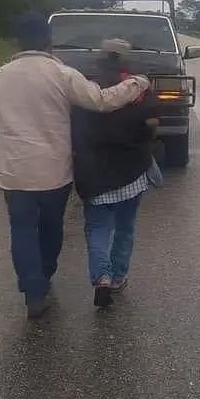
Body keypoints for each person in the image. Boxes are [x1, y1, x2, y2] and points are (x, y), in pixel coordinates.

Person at [0, 14, 150, 319]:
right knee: (51, 226)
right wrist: (136, 83)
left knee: (22, 230)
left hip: (14, 171)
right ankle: (45, 272)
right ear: (48, 41)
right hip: (54, 171)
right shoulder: (61, 73)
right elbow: (101, 100)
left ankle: (34, 291)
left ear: (18, 42)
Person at [71, 38, 164, 309]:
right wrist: (145, 138)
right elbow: (153, 122)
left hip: (92, 168)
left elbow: (70, 120)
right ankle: (118, 277)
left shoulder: (83, 84)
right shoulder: (137, 86)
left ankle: (101, 277)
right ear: (125, 58)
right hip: (131, 168)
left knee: (99, 227)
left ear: (101, 56)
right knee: (124, 226)